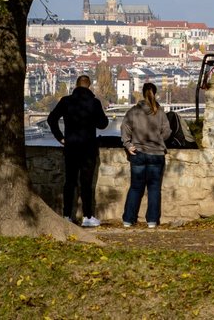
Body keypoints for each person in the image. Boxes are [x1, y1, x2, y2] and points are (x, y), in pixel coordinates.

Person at [48, 74, 109, 227]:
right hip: (88, 147)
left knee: (70, 182)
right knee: (86, 183)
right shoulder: (94, 103)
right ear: (89, 86)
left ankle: (67, 215)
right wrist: (92, 118)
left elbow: (51, 119)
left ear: (76, 85)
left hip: (71, 146)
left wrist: (60, 137)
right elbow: (103, 124)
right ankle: (88, 216)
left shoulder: (66, 101)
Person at [121, 82, 172, 229]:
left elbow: (125, 129)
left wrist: (128, 144)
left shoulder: (133, 111)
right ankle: (152, 221)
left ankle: (128, 220)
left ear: (143, 94)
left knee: (136, 188)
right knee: (154, 188)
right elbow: (167, 131)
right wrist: (159, 140)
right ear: (154, 94)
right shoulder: (160, 112)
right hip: (156, 154)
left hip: (138, 153)